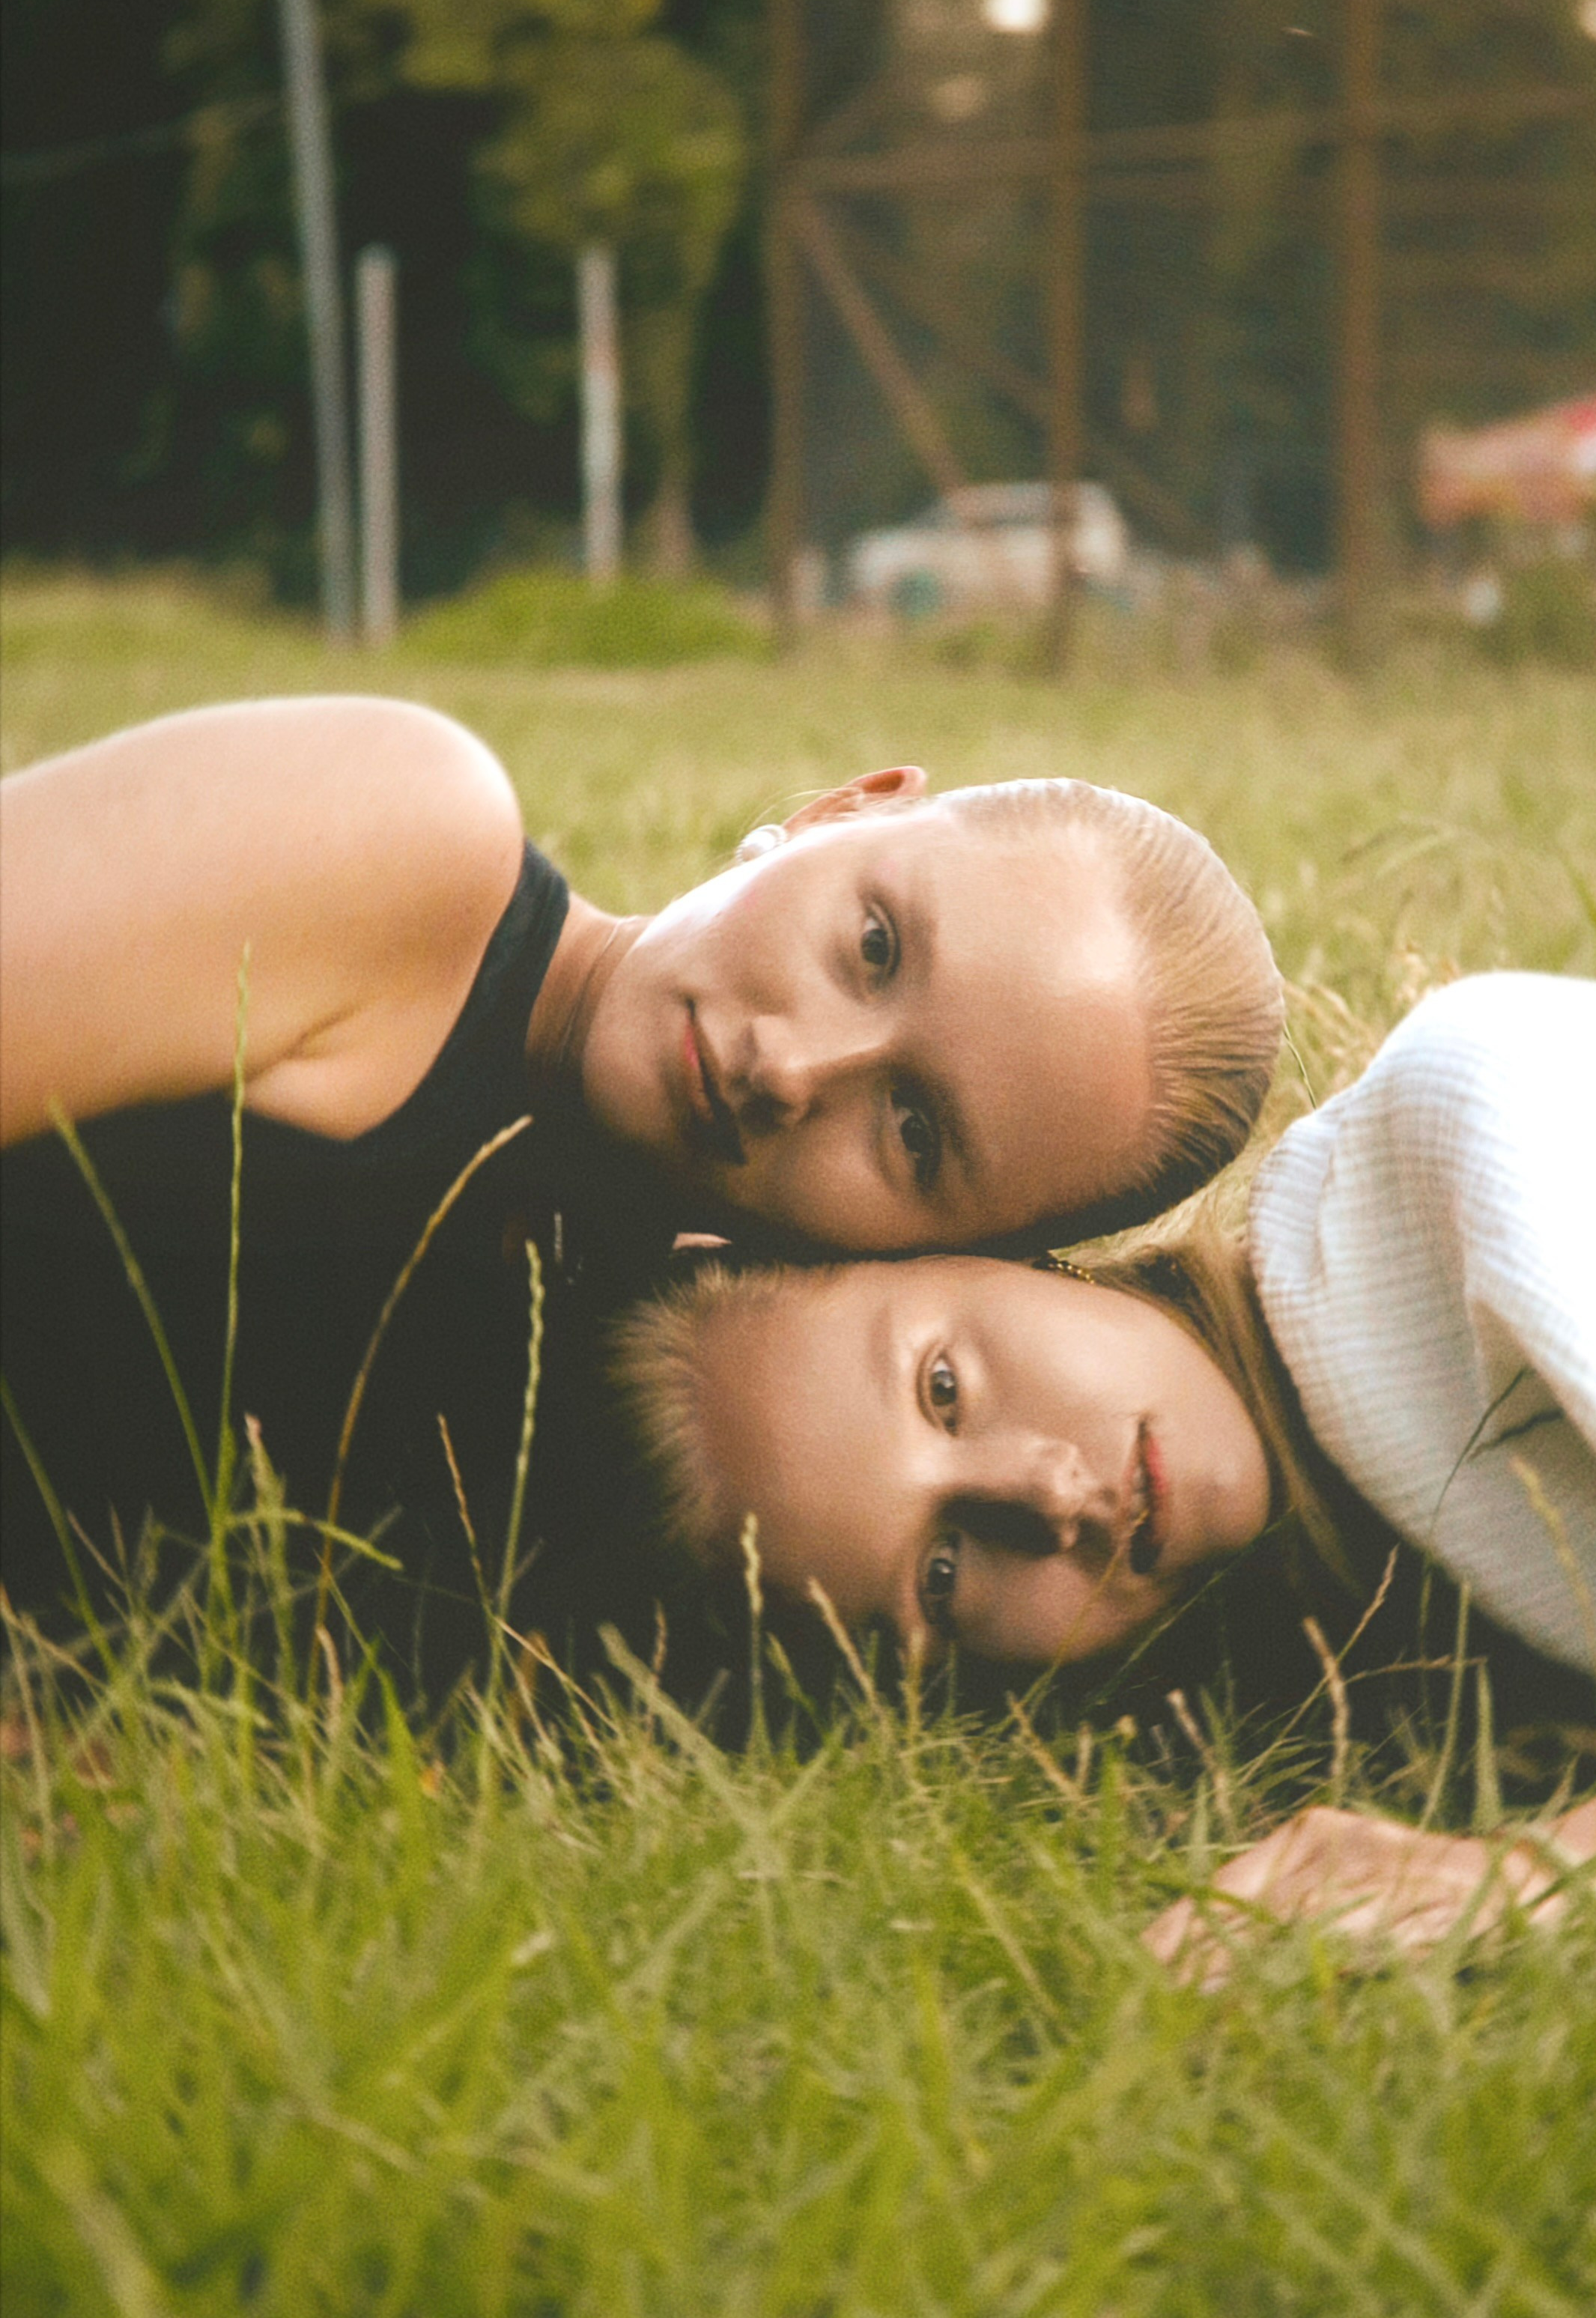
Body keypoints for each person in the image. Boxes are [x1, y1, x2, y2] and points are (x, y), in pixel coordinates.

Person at [619, 972, 1596, 1950]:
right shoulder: (1367, 1627)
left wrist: (1511, 1886)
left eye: (945, 1389)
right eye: (944, 1578)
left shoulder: (1478, 1149)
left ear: (998, 1242)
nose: (1049, 1499)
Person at [0, 696, 1281, 1661]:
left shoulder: (675, 1483)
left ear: (967, 1257)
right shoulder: (410, 838)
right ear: (847, 809)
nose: (790, 1067)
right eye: (874, 945)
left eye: (914, 1135)